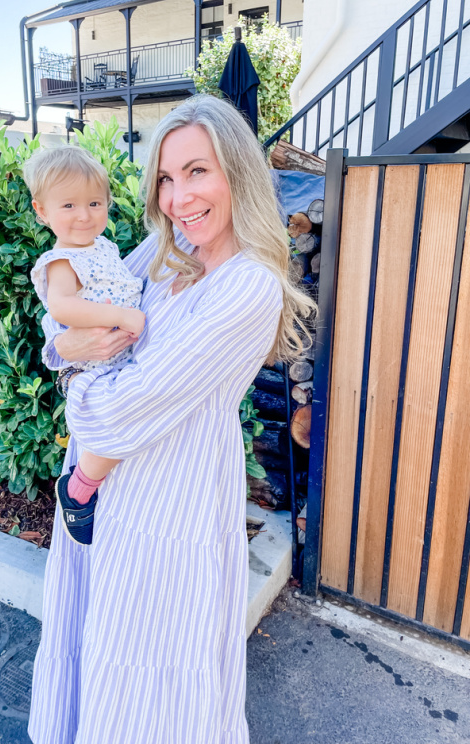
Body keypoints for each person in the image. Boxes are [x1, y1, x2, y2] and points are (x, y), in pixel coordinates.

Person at [28, 95, 314, 744]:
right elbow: (67, 318)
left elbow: (113, 410)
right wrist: (67, 346)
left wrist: (76, 360)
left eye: (197, 172)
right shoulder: (170, 249)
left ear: (236, 171)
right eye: (165, 176)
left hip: (168, 506)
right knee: (97, 656)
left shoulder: (245, 285)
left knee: (150, 684)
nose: (179, 196)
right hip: (108, 498)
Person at [24, 146, 146, 545]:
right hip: (95, 365)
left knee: (132, 422)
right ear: (42, 211)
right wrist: (121, 318)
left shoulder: (105, 248)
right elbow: (63, 306)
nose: (84, 215)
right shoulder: (61, 262)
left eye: (95, 203)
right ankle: (77, 491)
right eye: (69, 205)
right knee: (120, 422)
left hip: (118, 356)